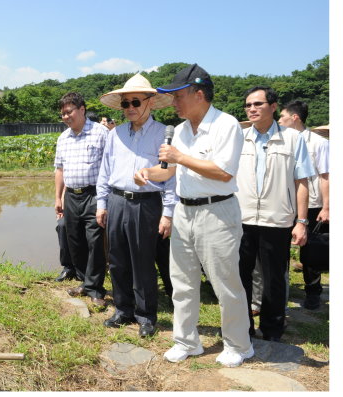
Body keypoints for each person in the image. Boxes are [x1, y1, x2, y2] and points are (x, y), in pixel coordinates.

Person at [134, 64, 254, 367]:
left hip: (218, 211)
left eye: (178, 95)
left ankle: (239, 345)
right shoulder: (183, 130)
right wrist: (147, 173)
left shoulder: (226, 125)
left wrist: (179, 157)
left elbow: (224, 172)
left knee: (225, 282)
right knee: (182, 281)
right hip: (185, 212)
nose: (173, 102)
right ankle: (187, 341)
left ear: (199, 94)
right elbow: (172, 169)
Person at [95, 73, 175, 337]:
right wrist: (102, 203)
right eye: (125, 103)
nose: (130, 108)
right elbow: (104, 170)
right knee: (117, 260)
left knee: (142, 261)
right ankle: (123, 309)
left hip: (146, 204)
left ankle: (145, 314)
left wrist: (168, 213)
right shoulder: (115, 134)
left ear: (150, 102)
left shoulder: (162, 134)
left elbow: (171, 176)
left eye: (135, 102)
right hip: (117, 201)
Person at [236, 87, 314, 342]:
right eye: (248, 105)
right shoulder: (240, 137)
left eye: (258, 104)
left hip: (277, 219)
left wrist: (301, 221)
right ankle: (243, 327)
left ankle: (272, 329)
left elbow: (302, 182)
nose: (252, 109)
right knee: (240, 277)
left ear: (273, 106)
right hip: (242, 219)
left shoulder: (293, 138)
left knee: (273, 279)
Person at [54, 92, 109, 307]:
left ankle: (95, 289)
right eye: (63, 114)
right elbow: (59, 169)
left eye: (69, 112)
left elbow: (109, 166)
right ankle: (85, 282)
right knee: (74, 240)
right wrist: (58, 197)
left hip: (94, 194)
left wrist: (105, 200)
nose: (66, 117)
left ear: (82, 109)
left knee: (95, 241)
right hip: (71, 196)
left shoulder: (100, 133)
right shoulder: (63, 138)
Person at [279, 100, 328, 310]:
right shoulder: (281, 140)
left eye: (282, 117)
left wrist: (327, 207)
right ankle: (281, 289)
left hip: (313, 204)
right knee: (280, 247)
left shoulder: (318, 143)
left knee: (310, 250)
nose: (279, 121)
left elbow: (326, 176)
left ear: (295, 117)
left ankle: (313, 291)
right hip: (285, 202)